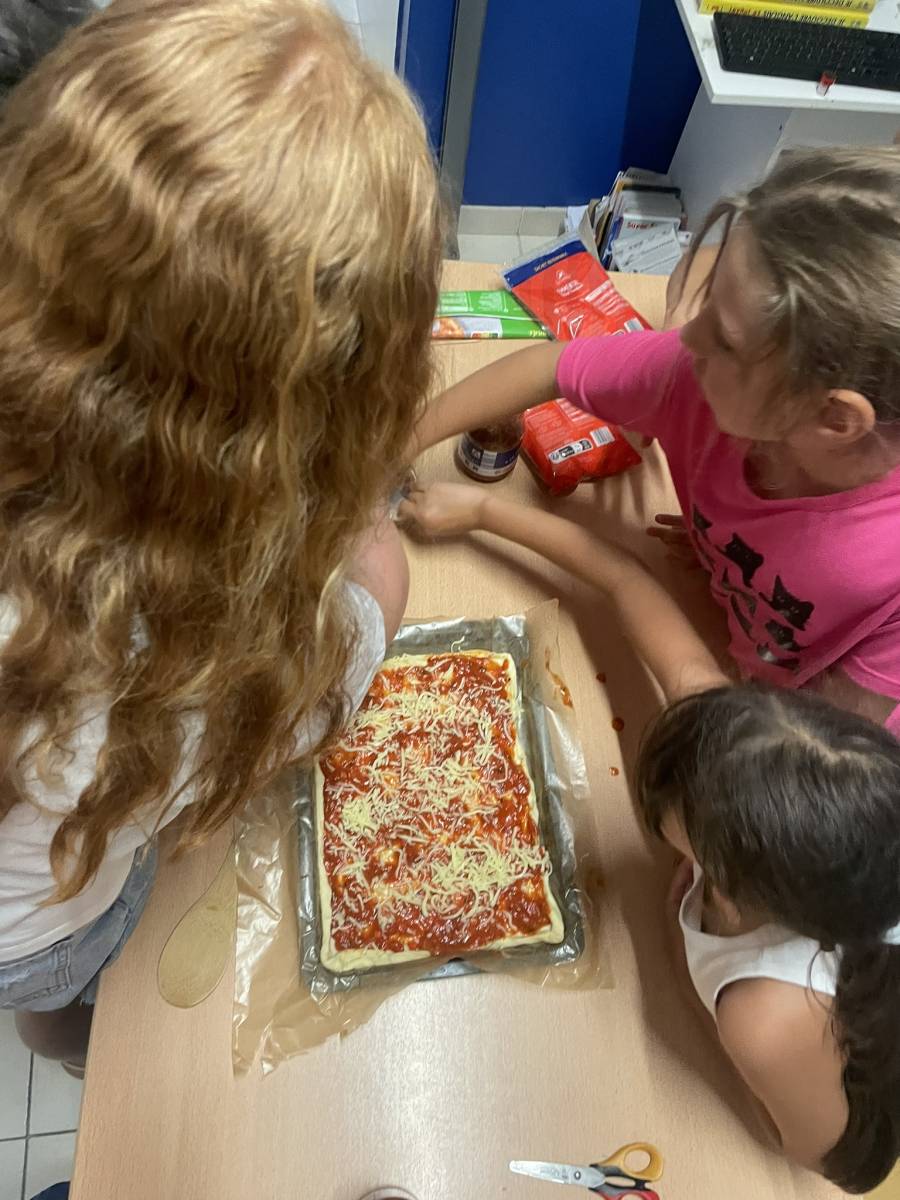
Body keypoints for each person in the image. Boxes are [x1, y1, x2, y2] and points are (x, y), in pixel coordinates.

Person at [0, 0, 440, 1071]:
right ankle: (78, 1046)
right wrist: (365, 528)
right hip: (45, 921)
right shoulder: (194, 662)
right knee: (79, 986)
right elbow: (359, 619)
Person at [398, 479, 900, 1192]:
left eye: (676, 830)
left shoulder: (764, 1017)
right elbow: (622, 577)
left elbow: (842, 1162)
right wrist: (483, 511)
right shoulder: (743, 765)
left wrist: (698, 995)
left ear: (735, 878)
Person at [409, 147, 900, 729]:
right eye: (708, 300)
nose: (686, 338)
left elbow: (804, 749)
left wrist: (488, 512)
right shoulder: (701, 377)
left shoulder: (881, 574)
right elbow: (551, 365)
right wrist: (404, 440)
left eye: (725, 340)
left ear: (835, 420)